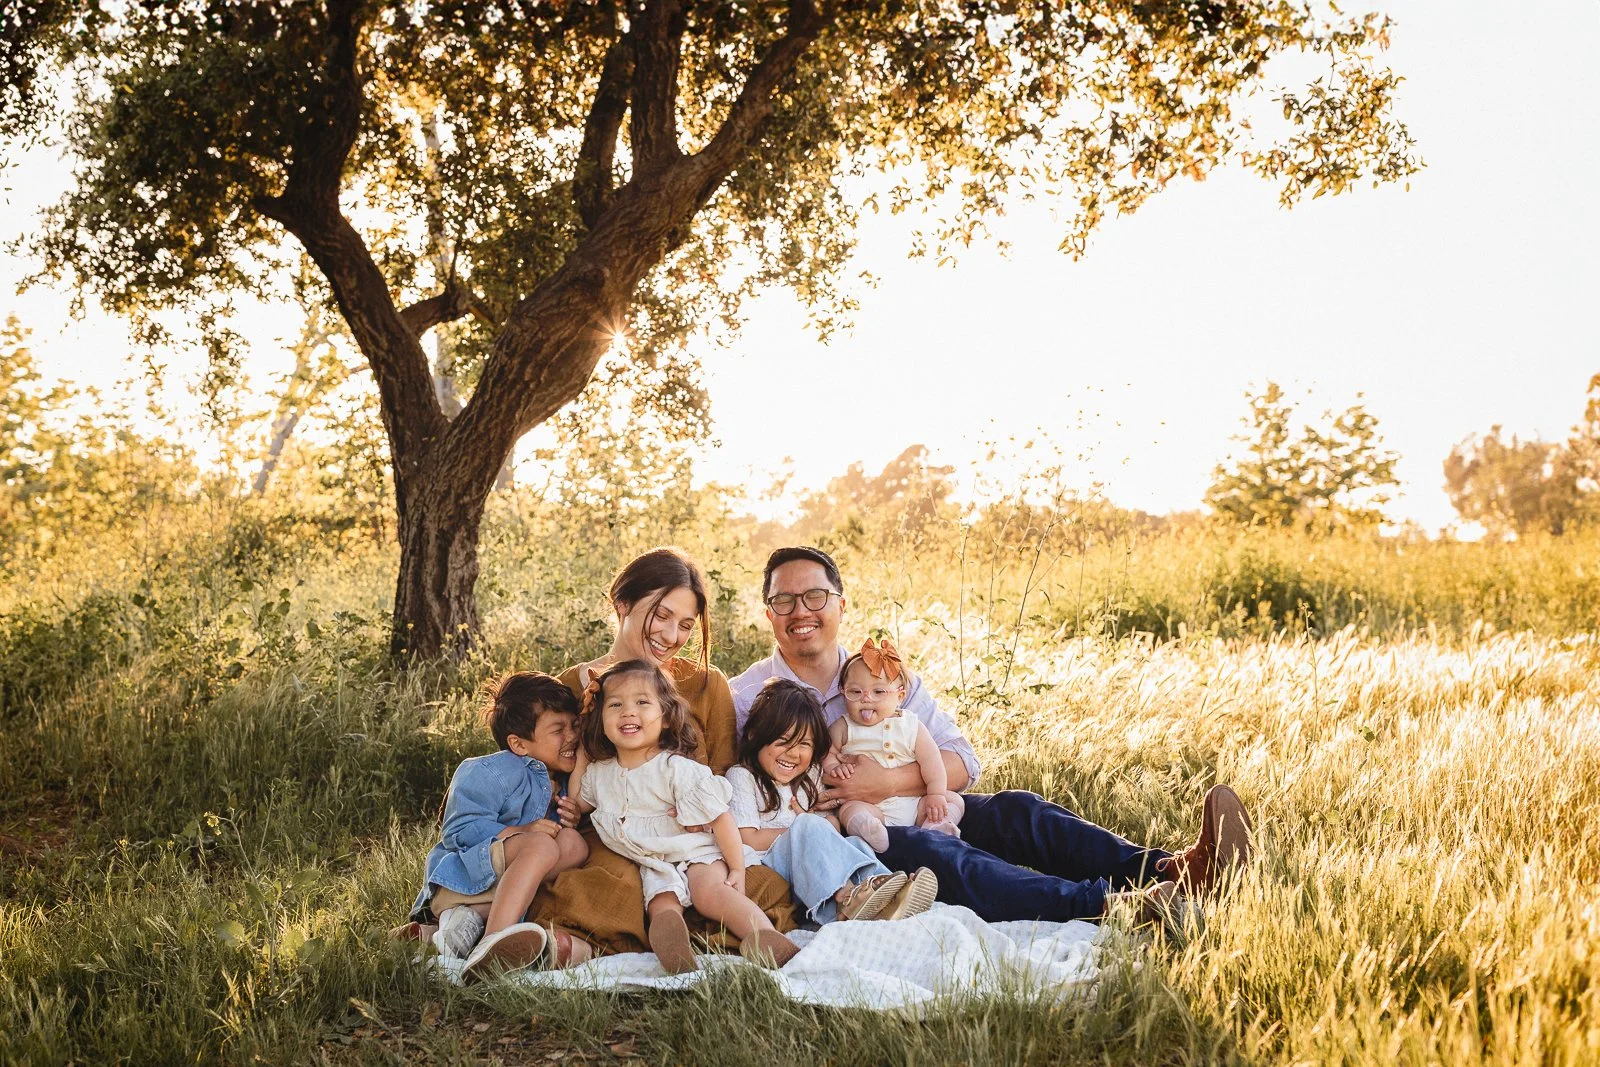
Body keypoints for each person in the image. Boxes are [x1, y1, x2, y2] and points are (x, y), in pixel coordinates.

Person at [730, 546, 1255, 924]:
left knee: (1017, 809)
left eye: (816, 596)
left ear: (841, 605)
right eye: (785, 601)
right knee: (946, 859)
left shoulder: (883, 674)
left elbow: (962, 762)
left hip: (917, 800)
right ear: (769, 613)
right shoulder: (749, 695)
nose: (801, 611)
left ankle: (1173, 869)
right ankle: (1108, 905)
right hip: (845, 838)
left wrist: (887, 783)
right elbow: (741, 786)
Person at [524, 547, 797, 957]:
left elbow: (727, 771)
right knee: (611, 881)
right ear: (623, 605)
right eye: (662, 615)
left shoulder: (705, 685)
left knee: (749, 885)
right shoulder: (572, 686)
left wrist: (698, 814)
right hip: (611, 836)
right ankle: (575, 944)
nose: (672, 636)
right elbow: (546, 771)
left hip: (695, 836)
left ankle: (739, 935)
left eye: (686, 624)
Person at [569, 660, 801, 973]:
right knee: (661, 900)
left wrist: (736, 868)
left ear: (665, 718)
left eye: (642, 702)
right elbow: (579, 802)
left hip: (696, 850)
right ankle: (674, 946)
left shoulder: (676, 769)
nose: (628, 712)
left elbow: (721, 819)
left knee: (710, 893)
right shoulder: (600, 774)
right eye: (615, 704)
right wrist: (584, 746)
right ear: (601, 720)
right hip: (652, 859)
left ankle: (765, 937)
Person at [406, 672, 591, 982]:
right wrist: (523, 832)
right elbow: (458, 830)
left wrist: (565, 820)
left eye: (574, 725)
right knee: (543, 845)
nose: (571, 736)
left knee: (574, 843)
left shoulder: (558, 784)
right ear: (518, 744)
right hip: (465, 880)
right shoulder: (492, 771)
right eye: (558, 729)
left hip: (498, 890)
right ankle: (494, 942)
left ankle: (457, 928)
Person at [727, 677, 938, 924]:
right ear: (754, 735)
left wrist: (822, 826)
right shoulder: (742, 776)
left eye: (804, 744)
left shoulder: (810, 775)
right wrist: (803, 828)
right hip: (774, 867)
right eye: (783, 741)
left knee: (855, 844)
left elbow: (831, 824)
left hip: (814, 866)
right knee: (809, 826)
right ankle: (847, 899)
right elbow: (746, 838)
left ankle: (892, 895)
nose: (793, 753)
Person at [822, 637, 965, 851]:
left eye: (878, 692)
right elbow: (827, 753)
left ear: (900, 696)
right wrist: (834, 767)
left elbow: (932, 760)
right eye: (855, 692)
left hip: (913, 802)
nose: (866, 699)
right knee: (849, 811)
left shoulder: (911, 725)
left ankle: (936, 826)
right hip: (868, 806)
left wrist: (935, 793)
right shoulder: (844, 727)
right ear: (843, 693)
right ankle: (869, 830)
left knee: (953, 800)